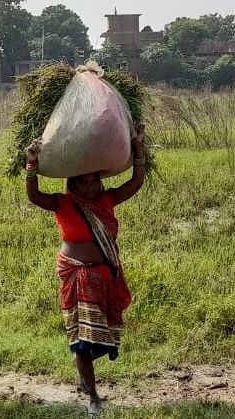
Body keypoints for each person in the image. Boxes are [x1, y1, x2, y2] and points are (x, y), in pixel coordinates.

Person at [24, 125, 147, 414]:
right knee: (83, 339)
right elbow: (35, 196)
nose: (90, 187)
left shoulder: (107, 200)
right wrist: (32, 164)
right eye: (84, 183)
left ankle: (84, 372)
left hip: (104, 276)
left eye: (94, 181)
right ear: (73, 184)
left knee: (101, 337)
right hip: (76, 275)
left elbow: (135, 183)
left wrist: (139, 149)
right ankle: (93, 396)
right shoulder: (63, 203)